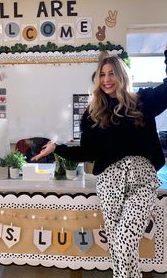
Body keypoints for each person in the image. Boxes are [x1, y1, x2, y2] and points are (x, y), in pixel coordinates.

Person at [31, 49, 167, 278]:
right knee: (120, 249)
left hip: (142, 179)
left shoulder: (143, 101)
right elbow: (88, 151)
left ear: (122, 75)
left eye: (111, 73)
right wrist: (58, 148)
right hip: (109, 182)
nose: (106, 80)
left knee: (124, 245)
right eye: (102, 75)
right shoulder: (93, 113)